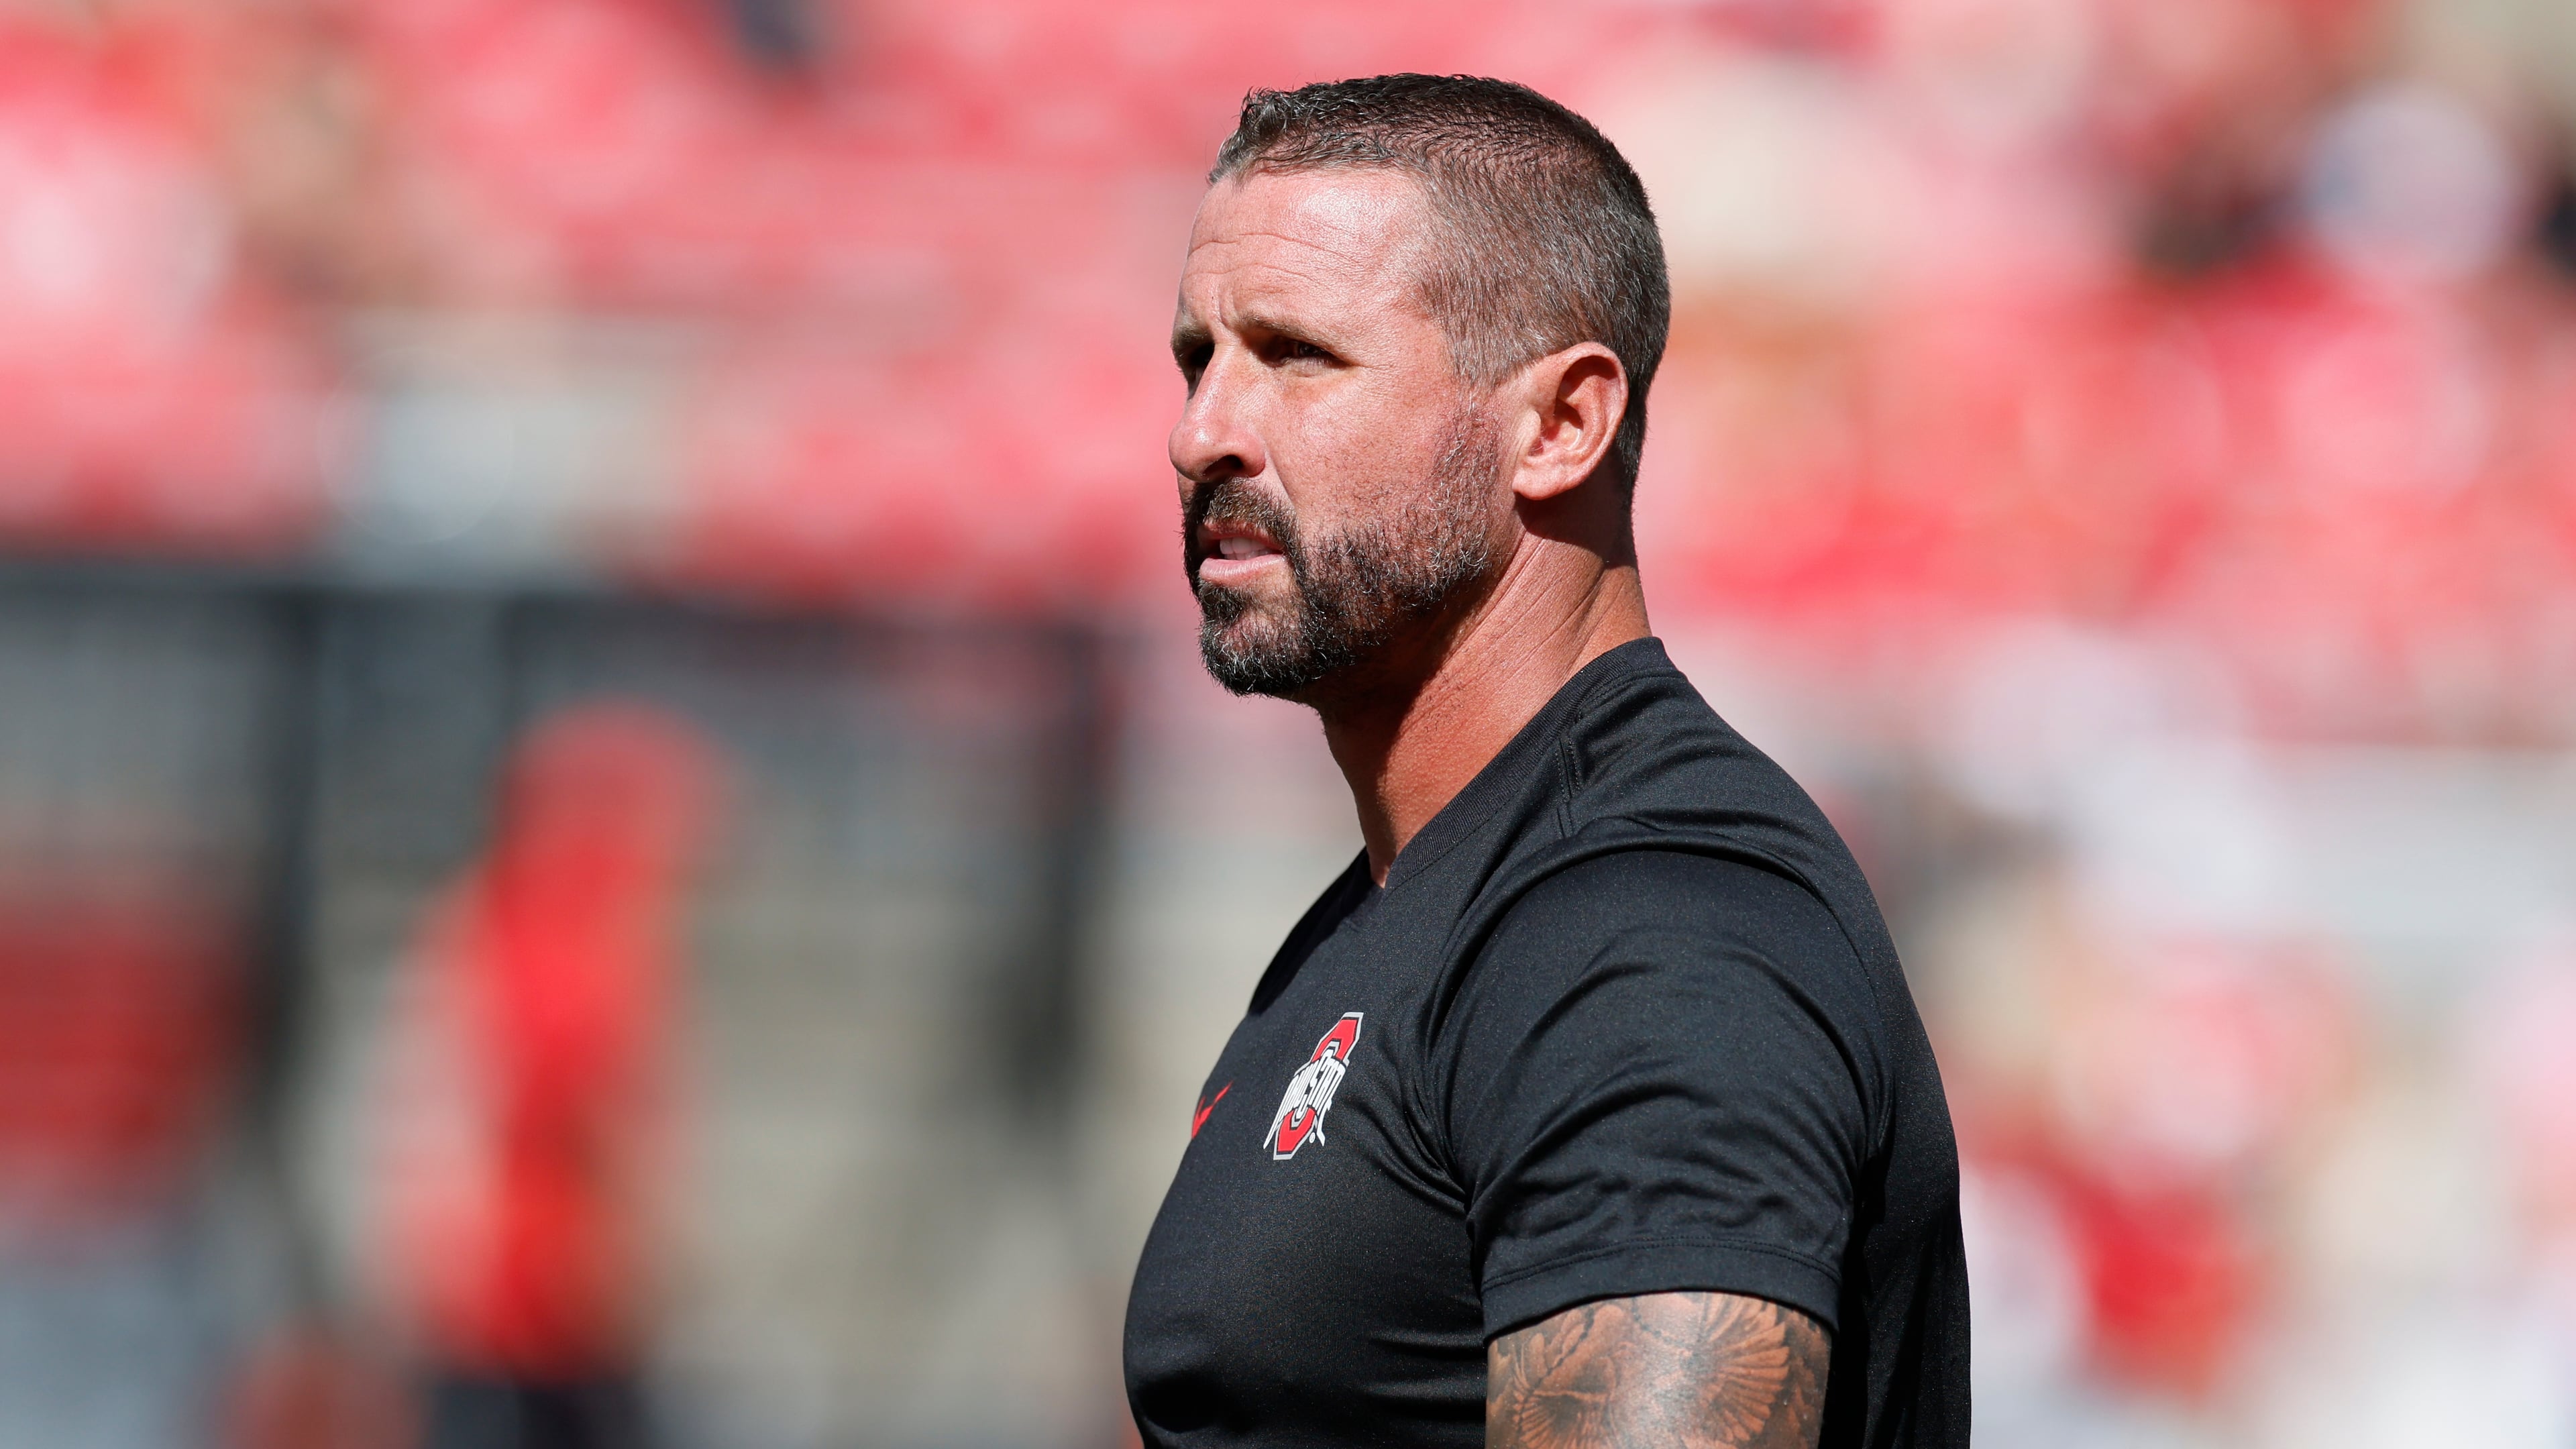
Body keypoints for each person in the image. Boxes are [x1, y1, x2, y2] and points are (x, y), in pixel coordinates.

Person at [1122, 76, 1970, 1448]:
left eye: (1295, 355)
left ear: (1562, 424)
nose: (1202, 431)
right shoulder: (1412, 909)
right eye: (1196, 357)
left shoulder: (1651, 937)